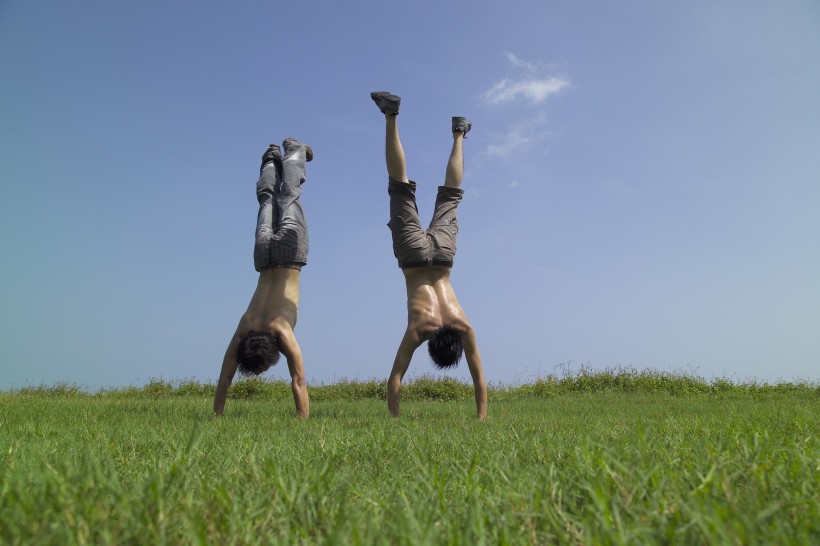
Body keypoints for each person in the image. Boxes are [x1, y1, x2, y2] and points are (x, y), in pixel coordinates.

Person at [370, 91, 488, 420]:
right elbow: (394, 379)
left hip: (444, 257)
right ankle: (391, 116)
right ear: (432, 343)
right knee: (399, 184)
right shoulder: (418, 330)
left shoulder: (465, 328)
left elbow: (480, 381)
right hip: (411, 258)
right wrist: (394, 418)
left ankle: (460, 133)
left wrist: (482, 417)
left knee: (451, 195)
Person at [214, 138, 313, 418]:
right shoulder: (244, 328)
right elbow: (223, 381)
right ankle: (270, 159)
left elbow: (299, 381)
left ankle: (295, 150)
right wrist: (217, 414)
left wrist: (303, 421)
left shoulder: (282, 331)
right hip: (262, 255)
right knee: (268, 200)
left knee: (290, 194)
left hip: (289, 256)